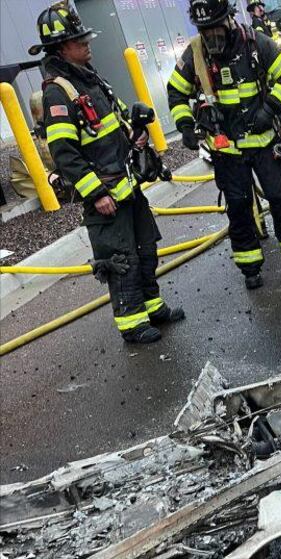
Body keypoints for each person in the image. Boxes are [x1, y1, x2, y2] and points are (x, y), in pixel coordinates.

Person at [31, 3, 184, 344]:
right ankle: (132, 324)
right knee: (121, 260)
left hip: (125, 185)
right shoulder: (59, 91)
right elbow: (64, 153)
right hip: (105, 195)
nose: (87, 44)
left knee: (145, 248)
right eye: (78, 41)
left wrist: (135, 134)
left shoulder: (88, 77)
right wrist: (96, 193)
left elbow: (110, 125)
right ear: (61, 48)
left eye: (84, 38)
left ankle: (152, 307)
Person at [167, 0, 281, 288]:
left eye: (215, 28)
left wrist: (269, 109)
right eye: (204, 30)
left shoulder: (256, 43)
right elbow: (176, 91)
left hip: (264, 142)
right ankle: (250, 268)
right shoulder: (196, 53)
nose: (211, 36)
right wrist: (185, 125)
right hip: (226, 150)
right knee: (238, 206)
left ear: (229, 20)